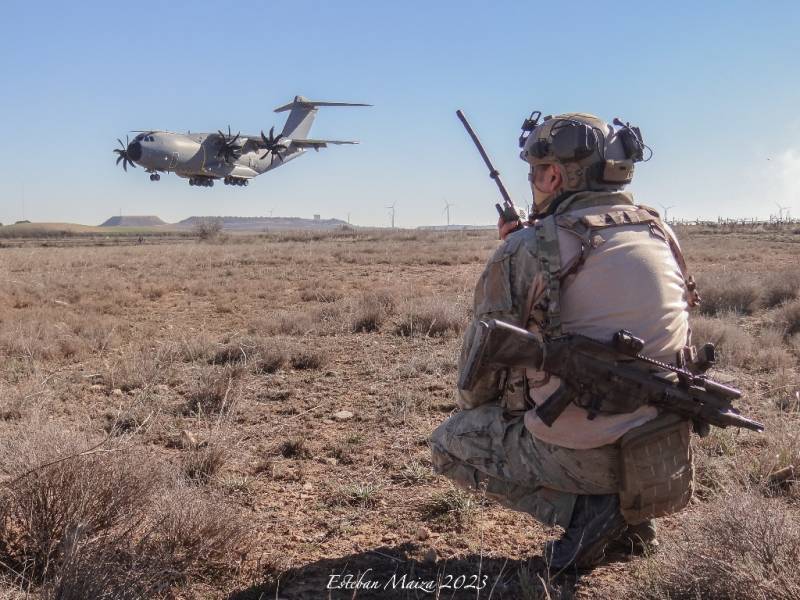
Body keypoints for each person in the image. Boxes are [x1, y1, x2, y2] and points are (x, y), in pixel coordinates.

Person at [430, 112, 699, 570]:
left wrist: (513, 256)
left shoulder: (526, 249)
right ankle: (631, 521)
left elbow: (475, 385)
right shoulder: (659, 231)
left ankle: (588, 512)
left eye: (536, 172)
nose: (533, 182)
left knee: (449, 442)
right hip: (662, 442)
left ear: (554, 174)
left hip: (584, 451)